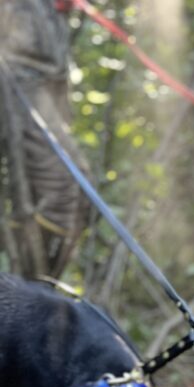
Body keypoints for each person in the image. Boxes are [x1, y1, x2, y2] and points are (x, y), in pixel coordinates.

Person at [0, 0, 89, 278]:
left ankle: (33, 289)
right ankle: (29, 290)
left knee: (82, 191)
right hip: (18, 82)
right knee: (65, 188)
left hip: (46, 85)